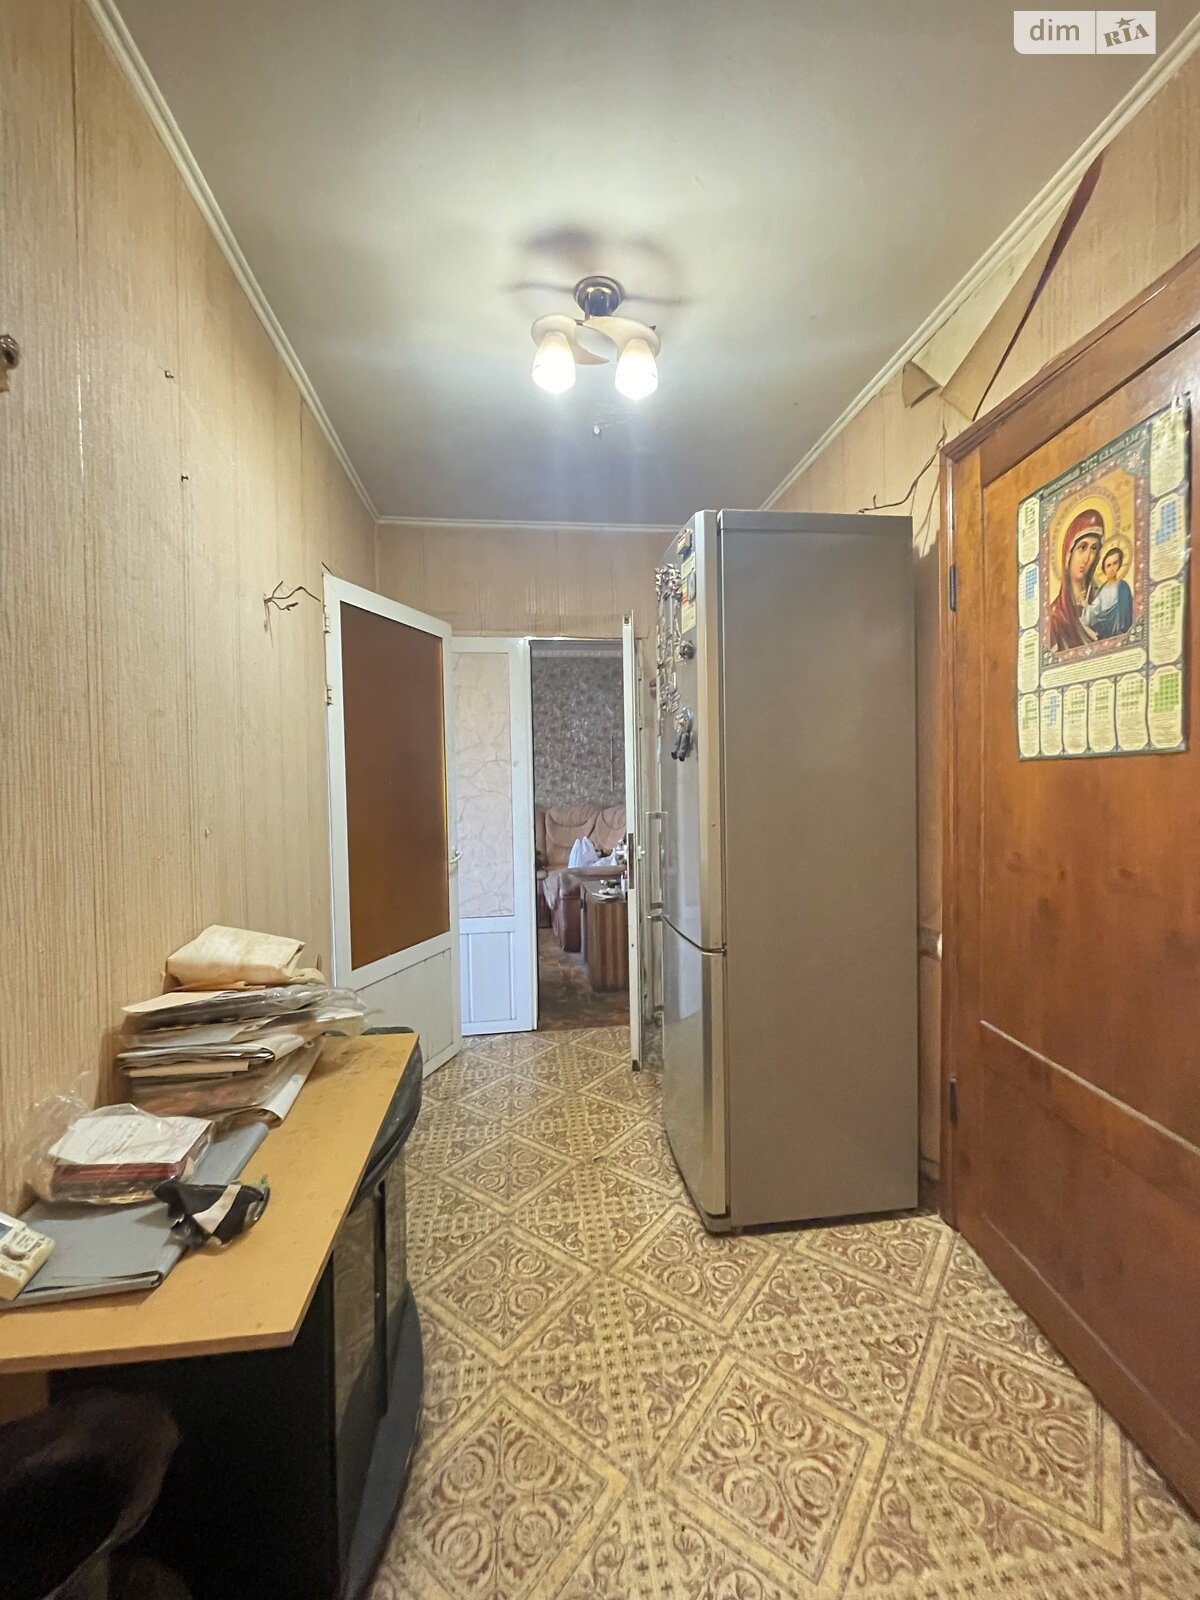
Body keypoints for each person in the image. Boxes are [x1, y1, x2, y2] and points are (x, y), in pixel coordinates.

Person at [1046, 509, 1103, 652]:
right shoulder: (1056, 616)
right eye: (1082, 548)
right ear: (1068, 553)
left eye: (1093, 549)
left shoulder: (1102, 598)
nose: (1087, 558)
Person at [1082, 545, 1134, 639]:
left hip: (1120, 630)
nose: (1112, 568)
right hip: (1104, 630)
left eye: (1115, 563)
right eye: (1108, 566)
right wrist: (1085, 605)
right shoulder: (1101, 591)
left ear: (1119, 564)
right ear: (1104, 568)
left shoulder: (1123, 586)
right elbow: (1094, 612)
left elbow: (1127, 610)